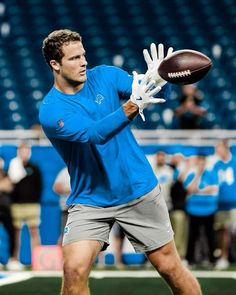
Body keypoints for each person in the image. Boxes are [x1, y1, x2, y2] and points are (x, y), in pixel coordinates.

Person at [39, 29, 201, 295]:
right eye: (74, 58)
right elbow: (95, 133)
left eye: (84, 55)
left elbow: (149, 94)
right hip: (91, 199)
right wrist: (133, 106)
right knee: (73, 270)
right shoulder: (52, 110)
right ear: (54, 64)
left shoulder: (105, 75)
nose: (84, 62)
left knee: (170, 267)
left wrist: (158, 78)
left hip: (137, 188)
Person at [7, 142, 42, 270]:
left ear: (29, 152)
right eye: (22, 151)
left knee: (34, 232)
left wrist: (35, 200)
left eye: (26, 151)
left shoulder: (35, 168)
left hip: (32, 205)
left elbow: (39, 186)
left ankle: (38, 261)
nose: (24, 153)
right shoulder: (13, 166)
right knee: (16, 232)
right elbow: (10, 184)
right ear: (18, 152)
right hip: (17, 205)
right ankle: (14, 259)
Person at [183, 155, 219, 266]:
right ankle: (190, 259)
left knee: (210, 236)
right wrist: (198, 175)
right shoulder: (192, 175)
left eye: (203, 163)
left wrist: (198, 190)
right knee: (192, 236)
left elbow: (214, 189)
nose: (201, 166)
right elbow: (189, 189)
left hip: (209, 209)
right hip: (194, 210)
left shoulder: (212, 174)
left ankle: (212, 260)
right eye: (199, 163)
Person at [213, 139, 236, 269]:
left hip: (234, 203)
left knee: (231, 231)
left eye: (218, 148)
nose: (216, 151)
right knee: (222, 231)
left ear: (225, 148)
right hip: (220, 203)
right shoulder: (217, 165)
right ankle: (223, 257)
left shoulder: (235, 162)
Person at [0, 157, 14, 268]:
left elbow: (9, 187)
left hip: (5, 208)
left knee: (10, 233)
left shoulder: (5, 174)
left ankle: (10, 259)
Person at [53, 167, 70, 245]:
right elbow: (56, 187)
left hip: (84, 210)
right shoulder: (64, 172)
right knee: (65, 235)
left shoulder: (87, 171)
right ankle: (62, 256)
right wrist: (71, 190)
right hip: (67, 210)